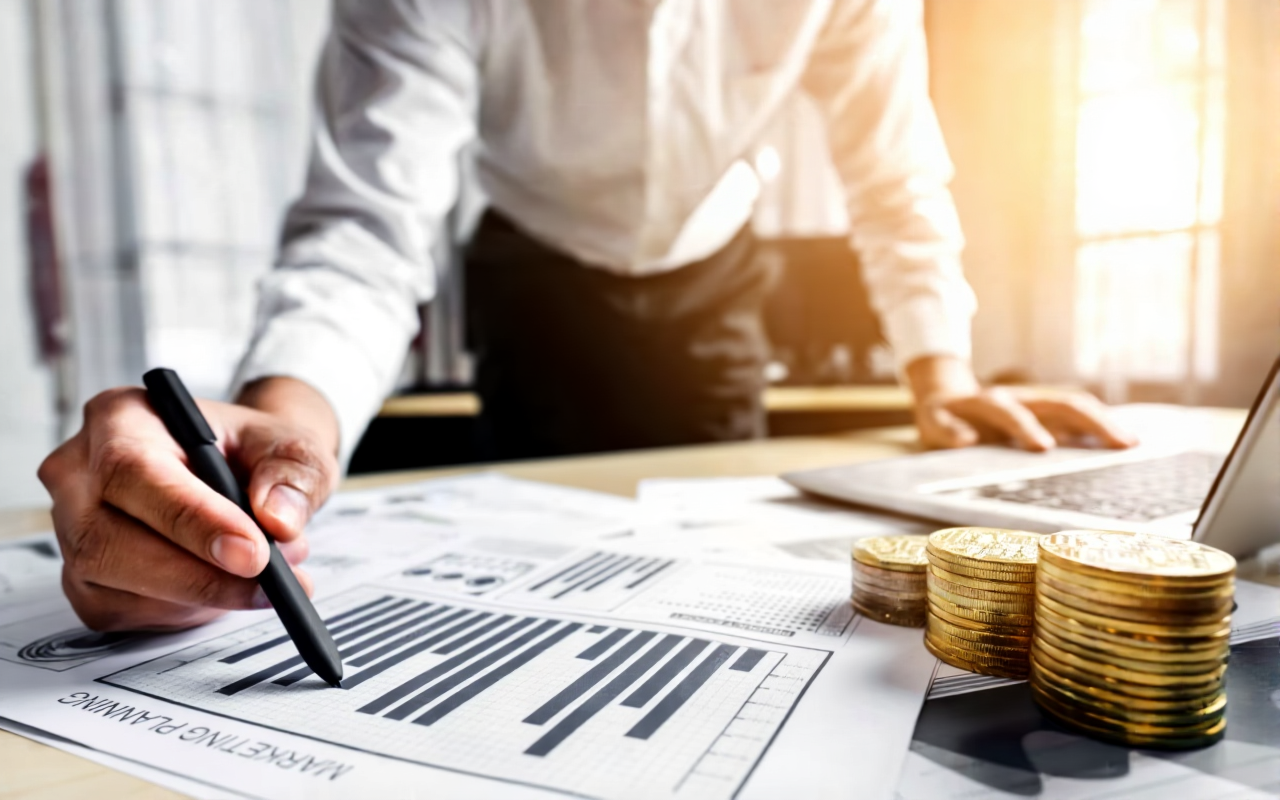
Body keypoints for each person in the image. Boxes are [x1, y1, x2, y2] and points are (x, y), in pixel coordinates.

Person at [38, 0, 1135, 632]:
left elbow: (891, 174)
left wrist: (939, 373)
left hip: (714, 279)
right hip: (534, 269)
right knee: (535, 559)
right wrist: (281, 434)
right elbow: (364, 227)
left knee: (713, 571)